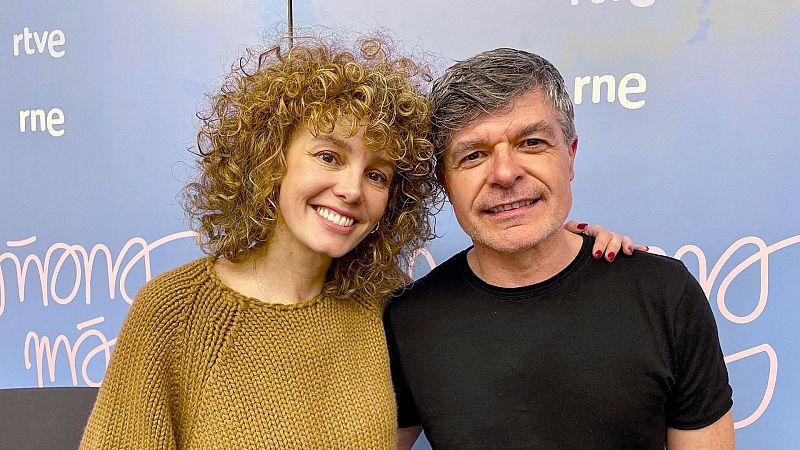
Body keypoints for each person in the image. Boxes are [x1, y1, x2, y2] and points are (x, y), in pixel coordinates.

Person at [80, 35, 637, 449]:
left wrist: (571, 247)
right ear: (271, 161)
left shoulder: (384, 307)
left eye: (377, 174)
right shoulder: (173, 313)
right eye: (328, 156)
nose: (350, 189)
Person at [385, 48, 735, 450]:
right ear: (445, 181)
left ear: (569, 156)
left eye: (531, 143)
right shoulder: (409, 320)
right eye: (474, 155)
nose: (504, 173)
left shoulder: (665, 295)